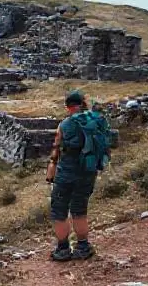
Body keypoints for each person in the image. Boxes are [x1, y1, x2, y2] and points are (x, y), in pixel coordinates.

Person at [46, 90, 110, 261]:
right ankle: (83, 247)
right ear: (83, 103)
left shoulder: (64, 125)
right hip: (88, 172)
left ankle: (63, 249)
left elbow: (56, 149)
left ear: (68, 107)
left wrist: (51, 169)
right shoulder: (97, 121)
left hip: (66, 174)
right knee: (80, 210)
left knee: (59, 211)